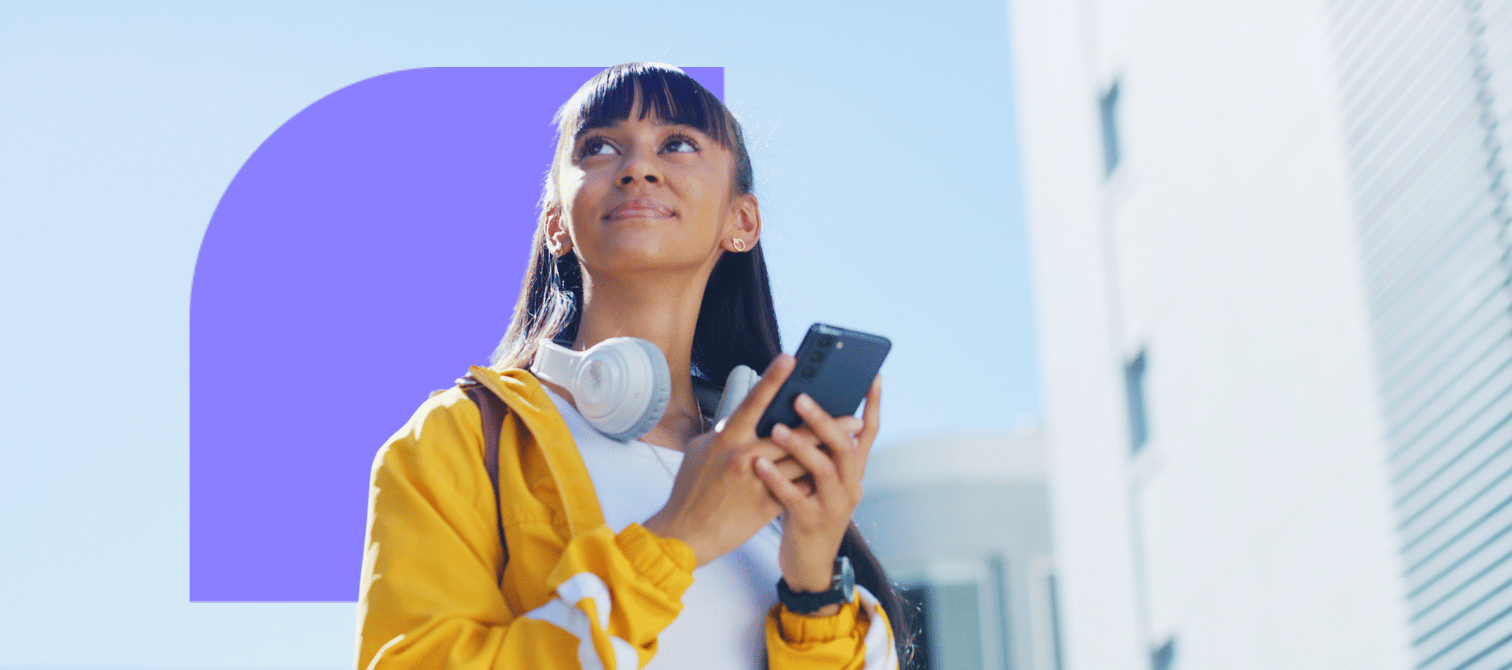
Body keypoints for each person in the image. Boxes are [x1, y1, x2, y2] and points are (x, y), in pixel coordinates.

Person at [356, 63, 909, 669]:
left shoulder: (776, 474)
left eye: (677, 144)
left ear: (741, 221)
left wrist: (814, 591)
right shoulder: (458, 438)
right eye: (598, 147)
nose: (638, 168)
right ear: (556, 223)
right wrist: (677, 537)